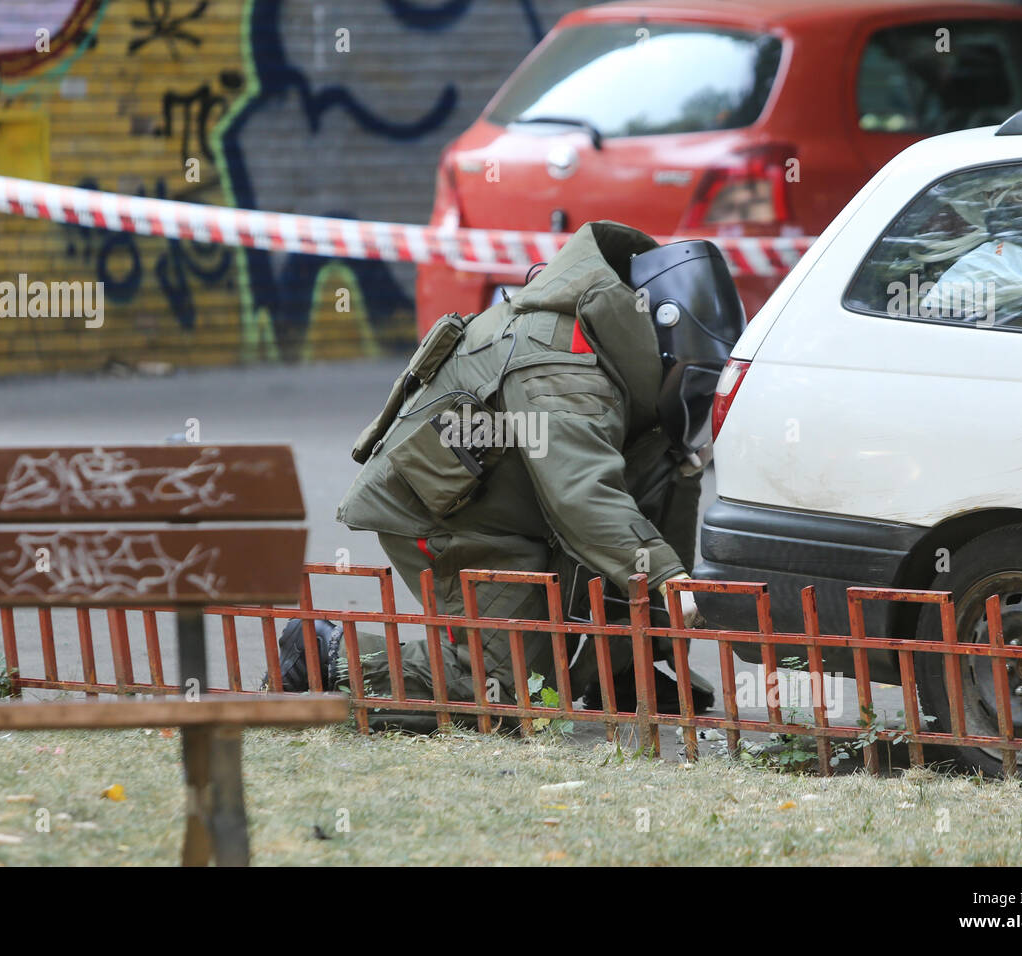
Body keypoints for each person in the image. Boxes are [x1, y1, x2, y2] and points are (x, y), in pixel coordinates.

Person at [279, 221, 742, 717]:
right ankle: (324, 652)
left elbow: (646, 485)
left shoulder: (612, 350)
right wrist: (672, 583)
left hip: (516, 506)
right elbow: (581, 495)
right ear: (664, 338)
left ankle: (622, 666)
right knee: (507, 692)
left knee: (666, 466)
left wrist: (662, 619)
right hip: (451, 519)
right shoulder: (561, 364)